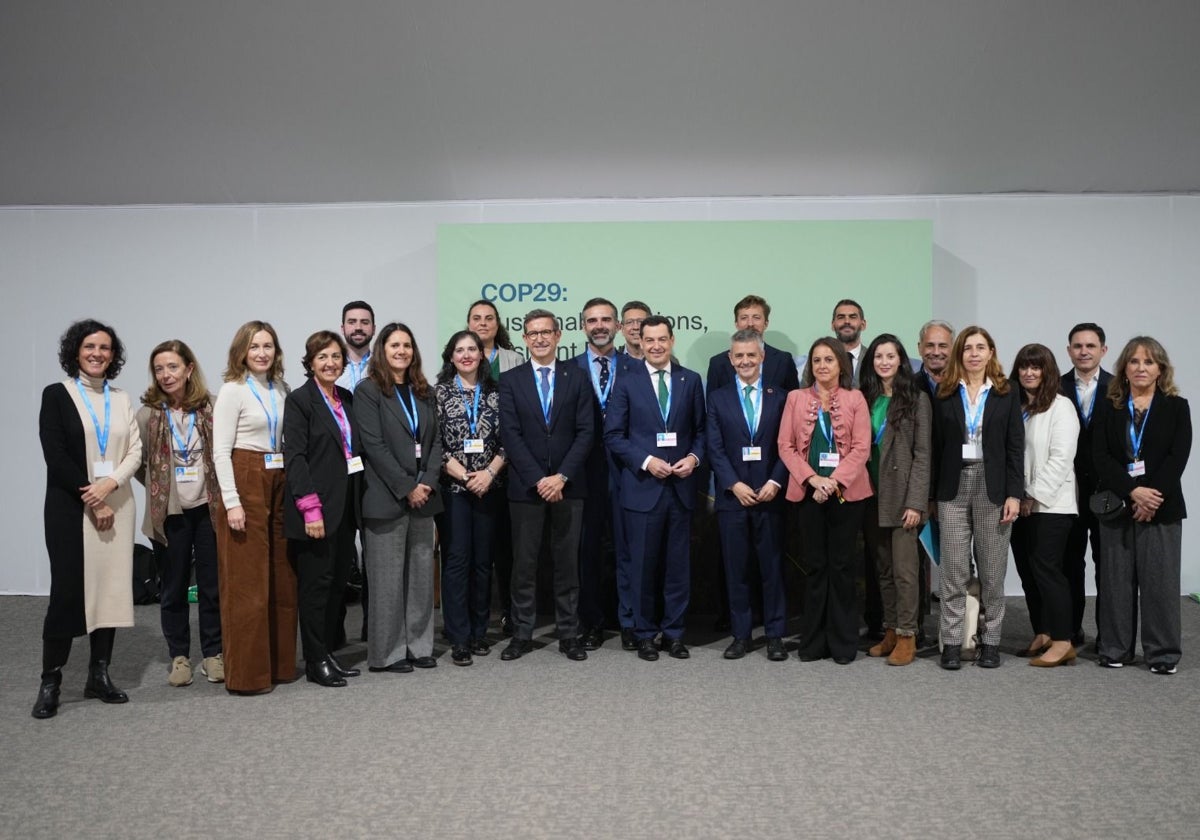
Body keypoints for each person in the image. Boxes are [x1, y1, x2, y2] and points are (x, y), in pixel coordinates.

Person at [33, 320, 143, 719]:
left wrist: (110, 484)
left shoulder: (122, 398)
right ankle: (51, 680)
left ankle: (99, 674)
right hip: (71, 508)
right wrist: (92, 495)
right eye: (90, 346)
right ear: (75, 351)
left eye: (106, 348)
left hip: (118, 502)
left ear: (113, 357)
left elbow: (134, 450)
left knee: (111, 589)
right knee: (67, 592)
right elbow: (56, 454)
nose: (98, 353)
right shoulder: (57, 395)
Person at [606, 315, 707, 662]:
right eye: (649, 340)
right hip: (642, 488)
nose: (656, 346)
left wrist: (693, 458)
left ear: (672, 340)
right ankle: (645, 634)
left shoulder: (690, 380)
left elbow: (702, 432)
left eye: (662, 339)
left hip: (680, 488)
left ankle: (675, 634)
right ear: (639, 341)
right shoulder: (626, 382)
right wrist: (647, 461)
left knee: (678, 568)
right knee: (643, 568)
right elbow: (614, 436)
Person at [498, 309, 594, 661]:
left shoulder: (578, 377)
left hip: (569, 486)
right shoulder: (511, 380)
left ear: (558, 336)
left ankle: (569, 634)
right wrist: (539, 479)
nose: (539, 338)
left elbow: (586, 432)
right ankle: (522, 634)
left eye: (545, 332)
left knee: (567, 564)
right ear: (524, 339)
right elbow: (510, 434)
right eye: (532, 333)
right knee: (524, 565)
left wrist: (561, 477)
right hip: (526, 488)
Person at [1092, 337, 1191, 674]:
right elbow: (1100, 456)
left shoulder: (1178, 407)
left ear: (1160, 368)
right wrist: (1134, 492)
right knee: (1116, 582)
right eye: (1134, 362)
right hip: (1118, 506)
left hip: (1162, 508)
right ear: (1124, 368)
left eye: (1148, 362)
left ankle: (1162, 654)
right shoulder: (1109, 406)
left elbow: (1177, 457)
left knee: (1160, 583)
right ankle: (1115, 648)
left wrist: (1150, 497)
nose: (1140, 368)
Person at [930, 326, 1023, 671]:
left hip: (993, 485)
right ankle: (953, 642)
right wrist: (931, 496)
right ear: (959, 354)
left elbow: (1015, 446)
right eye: (967, 348)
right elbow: (936, 449)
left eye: (980, 347)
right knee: (953, 570)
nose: (973, 353)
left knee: (992, 571)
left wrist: (1015, 493)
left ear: (991, 352)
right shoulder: (944, 392)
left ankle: (991, 641)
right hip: (953, 488)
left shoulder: (1005, 392)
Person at [212, 320, 297, 695]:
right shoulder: (232, 390)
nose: (262, 353)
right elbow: (219, 451)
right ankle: (247, 676)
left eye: (268, 346)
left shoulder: (281, 388)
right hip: (246, 477)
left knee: (282, 577)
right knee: (247, 585)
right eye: (254, 346)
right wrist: (232, 501)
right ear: (241, 352)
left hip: (279, 477)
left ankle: (279, 666)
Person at [355, 322, 443, 673]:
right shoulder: (369, 391)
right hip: (386, 497)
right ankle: (387, 653)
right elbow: (373, 445)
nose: (402, 351)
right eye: (394, 345)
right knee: (387, 582)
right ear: (382, 350)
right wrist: (407, 486)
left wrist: (427, 482)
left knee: (421, 577)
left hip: (424, 496)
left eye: (407, 345)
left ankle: (419, 646)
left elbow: (435, 443)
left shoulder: (425, 391)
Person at [135, 340, 223, 688]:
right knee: (172, 588)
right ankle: (180, 656)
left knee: (212, 586)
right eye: (159, 369)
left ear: (188, 369)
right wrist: (162, 491)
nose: (166, 375)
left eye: (173, 367)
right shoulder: (148, 415)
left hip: (208, 510)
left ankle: (214, 653)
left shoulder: (212, 408)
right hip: (169, 514)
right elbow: (140, 463)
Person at [778, 337, 872, 664]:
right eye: (816, 360)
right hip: (808, 493)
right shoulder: (795, 398)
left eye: (829, 360)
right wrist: (813, 479)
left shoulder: (855, 399)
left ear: (840, 365)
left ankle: (843, 643)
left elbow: (862, 448)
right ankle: (814, 642)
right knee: (816, 568)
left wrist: (832, 482)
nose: (822, 366)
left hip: (846, 493)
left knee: (843, 567)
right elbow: (786, 446)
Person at [283, 331, 364, 687]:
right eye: (322, 358)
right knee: (316, 588)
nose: (330, 363)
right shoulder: (300, 401)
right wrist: (310, 508)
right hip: (316, 509)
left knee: (335, 586)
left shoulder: (345, 398)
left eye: (335, 357)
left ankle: (328, 652)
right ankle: (315, 660)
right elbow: (296, 458)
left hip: (346, 507)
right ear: (310, 363)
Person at [706, 330, 789, 661]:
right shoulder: (717, 398)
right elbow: (713, 446)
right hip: (732, 498)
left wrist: (776, 481)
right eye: (738, 356)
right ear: (730, 359)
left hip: (771, 495)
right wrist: (733, 484)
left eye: (751, 355)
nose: (745, 361)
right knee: (736, 570)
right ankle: (740, 635)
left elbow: (789, 446)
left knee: (772, 569)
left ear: (762, 357)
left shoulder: (781, 397)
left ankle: (775, 636)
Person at [858, 333, 931, 666]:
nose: (884, 362)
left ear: (901, 360)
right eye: (878, 356)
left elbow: (923, 454)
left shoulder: (917, 399)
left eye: (890, 356)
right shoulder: (865, 398)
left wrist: (916, 502)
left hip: (903, 497)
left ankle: (907, 634)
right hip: (871, 493)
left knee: (905, 571)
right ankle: (889, 629)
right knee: (883, 569)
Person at [435, 330, 506, 666]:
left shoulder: (498, 392)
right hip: (455, 490)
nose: (466, 355)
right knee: (457, 561)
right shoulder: (438, 394)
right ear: (451, 357)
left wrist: (489, 474)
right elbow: (435, 446)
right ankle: (458, 636)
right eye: (459, 350)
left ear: (482, 355)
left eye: (472, 350)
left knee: (483, 562)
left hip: (490, 487)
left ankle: (479, 632)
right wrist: (465, 476)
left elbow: (509, 441)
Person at [1009, 343, 1079, 667]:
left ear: (1047, 370)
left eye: (1036, 367)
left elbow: (1061, 458)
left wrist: (1032, 495)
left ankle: (1064, 640)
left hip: (1051, 506)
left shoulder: (1061, 407)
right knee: (1027, 572)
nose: (1029, 372)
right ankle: (1043, 631)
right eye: (1024, 366)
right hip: (1020, 504)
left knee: (1048, 570)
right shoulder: (1017, 406)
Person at [466, 298, 522, 635]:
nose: (483, 323)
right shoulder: (460, 358)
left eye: (489, 318)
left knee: (507, 547)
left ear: (498, 324)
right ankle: (476, 615)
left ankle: (510, 612)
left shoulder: (514, 360)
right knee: (474, 550)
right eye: (477, 318)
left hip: (507, 463)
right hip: (469, 469)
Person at [573, 297, 626, 649]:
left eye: (606, 319)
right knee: (587, 551)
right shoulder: (568, 370)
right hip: (585, 473)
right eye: (592, 320)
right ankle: (590, 622)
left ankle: (630, 620)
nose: (600, 326)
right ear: (583, 327)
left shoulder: (636, 368)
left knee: (628, 549)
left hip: (629, 472)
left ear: (618, 326)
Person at [1059, 322, 1112, 646]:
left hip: (1108, 491)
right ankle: (1071, 630)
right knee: (1069, 564)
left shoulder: (1119, 387)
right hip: (1068, 490)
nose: (1084, 351)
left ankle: (1109, 634)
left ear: (1103, 350)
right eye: (1078, 346)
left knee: (1108, 566)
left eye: (1090, 346)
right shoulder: (1058, 385)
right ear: (1069, 351)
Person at [705, 294, 800, 393]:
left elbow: (794, 403)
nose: (750, 323)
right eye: (744, 318)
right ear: (736, 324)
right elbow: (713, 405)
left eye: (756, 317)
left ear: (766, 323)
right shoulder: (718, 363)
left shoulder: (784, 360)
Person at [338, 300, 376, 392]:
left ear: (374, 329)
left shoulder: (384, 366)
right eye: (352, 322)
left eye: (365, 322)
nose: (358, 327)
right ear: (343, 329)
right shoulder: (332, 367)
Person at [914, 320, 955, 399]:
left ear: (953, 349)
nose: (936, 352)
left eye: (942, 346)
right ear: (920, 348)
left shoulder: (964, 385)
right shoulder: (908, 387)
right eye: (930, 345)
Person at [831, 299, 868, 385]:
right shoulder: (819, 360)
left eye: (852, 317)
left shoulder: (873, 358)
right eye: (841, 317)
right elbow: (805, 394)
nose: (847, 321)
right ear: (833, 325)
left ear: (863, 325)